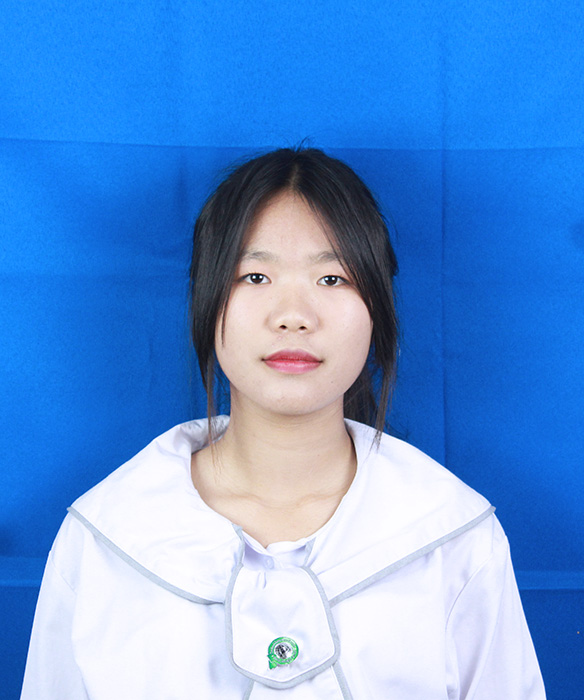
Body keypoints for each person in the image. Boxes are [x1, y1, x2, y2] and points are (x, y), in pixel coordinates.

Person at [21, 147, 546, 699]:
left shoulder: (451, 535)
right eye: (255, 276)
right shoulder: (107, 538)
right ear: (207, 299)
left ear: (377, 307)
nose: (293, 315)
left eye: (332, 279)